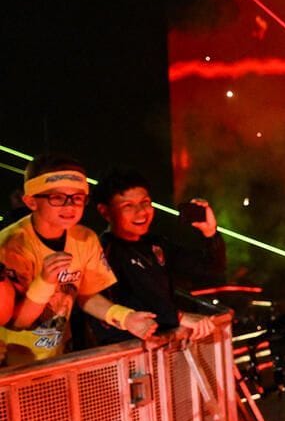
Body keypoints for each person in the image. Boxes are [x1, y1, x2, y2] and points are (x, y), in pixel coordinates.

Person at [0, 155, 157, 366]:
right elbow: (17, 321)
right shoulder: (10, 246)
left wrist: (124, 317)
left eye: (77, 197)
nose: (70, 206)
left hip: (58, 357)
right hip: (13, 364)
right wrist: (44, 282)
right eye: (57, 197)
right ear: (31, 201)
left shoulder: (85, 238)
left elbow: (85, 294)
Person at [89, 170, 226, 345]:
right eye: (128, 206)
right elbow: (129, 304)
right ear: (105, 211)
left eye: (145, 202)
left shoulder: (155, 243)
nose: (141, 212)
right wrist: (179, 317)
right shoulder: (103, 252)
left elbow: (211, 267)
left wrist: (210, 233)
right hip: (128, 352)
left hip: (165, 349)